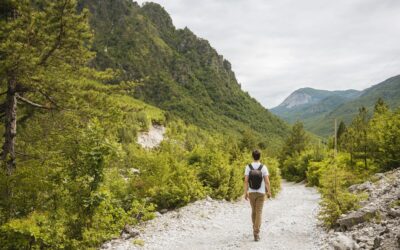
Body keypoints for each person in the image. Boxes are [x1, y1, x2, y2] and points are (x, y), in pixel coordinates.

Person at [244, 149, 271, 241]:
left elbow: (246, 181)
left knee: (253, 211)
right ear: (260, 156)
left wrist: (245, 192)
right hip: (261, 193)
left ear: (252, 156)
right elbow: (267, 181)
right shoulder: (263, 167)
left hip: (251, 192)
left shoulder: (248, 167)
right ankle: (256, 233)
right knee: (259, 212)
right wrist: (269, 192)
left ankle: (254, 228)